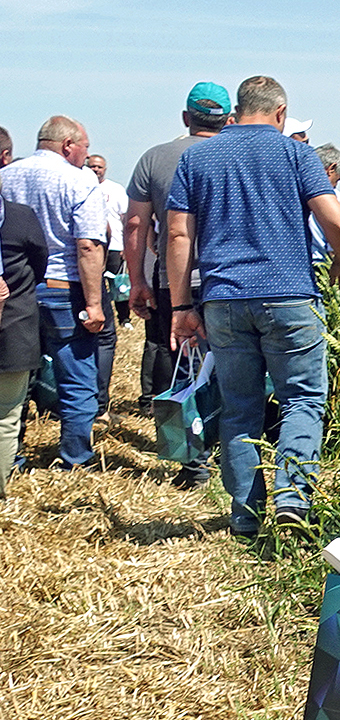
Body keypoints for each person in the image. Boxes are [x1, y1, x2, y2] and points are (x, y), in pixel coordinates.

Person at [166, 76, 340, 535]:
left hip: (223, 299)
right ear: (279, 113)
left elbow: (178, 235)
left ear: (238, 110)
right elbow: (338, 221)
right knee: (302, 399)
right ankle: (293, 500)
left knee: (239, 406)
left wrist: (180, 307)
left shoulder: (196, 156)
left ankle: (246, 514)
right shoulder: (296, 154)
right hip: (290, 296)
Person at [127, 82, 231, 488]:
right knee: (233, 365)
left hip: (176, 279)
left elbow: (136, 224)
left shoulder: (155, 158)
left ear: (185, 118)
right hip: (229, 279)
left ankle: (193, 460)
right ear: (228, 120)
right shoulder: (235, 154)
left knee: (185, 368)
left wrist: (137, 279)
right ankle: (236, 455)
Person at [0, 117, 107, 469]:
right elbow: (88, 245)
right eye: (85, 147)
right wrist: (94, 304)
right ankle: (76, 456)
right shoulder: (79, 179)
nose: (86, 154)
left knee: (17, 375)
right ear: (68, 146)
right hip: (65, 287)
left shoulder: (6, 176)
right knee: (76, 374)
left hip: (15, 288)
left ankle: (11, 454)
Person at [1, 158, 51, 494]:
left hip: (15, 324)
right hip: (14, 326)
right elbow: (40, 261)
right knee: (5, 418)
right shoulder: (20, 217)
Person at [85, 155, 130, 421]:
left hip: (111, 248)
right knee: (103, 336)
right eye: (91, 166)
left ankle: (124, 316)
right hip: (92, 253)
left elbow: (123, 219)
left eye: (99, 167)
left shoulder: (115, 190)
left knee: (117, 287)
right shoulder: (83, 186)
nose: (95, 170)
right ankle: (98, 405)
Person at [309, 144, 340, 259]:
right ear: (331, 169)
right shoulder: (337, 199)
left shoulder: (291, 192)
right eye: (337, 180)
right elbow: (339, 238)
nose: (335, 185)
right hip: (320, 266)